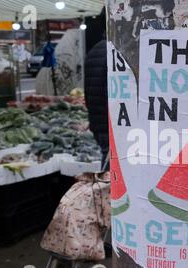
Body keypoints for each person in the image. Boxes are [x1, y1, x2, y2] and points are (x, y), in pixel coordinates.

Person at [85, 8, 109, 170]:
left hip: (99, 126)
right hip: (113, 128)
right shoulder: (117, 51)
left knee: (107, 168)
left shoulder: (94, 50)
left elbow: (88, 94)